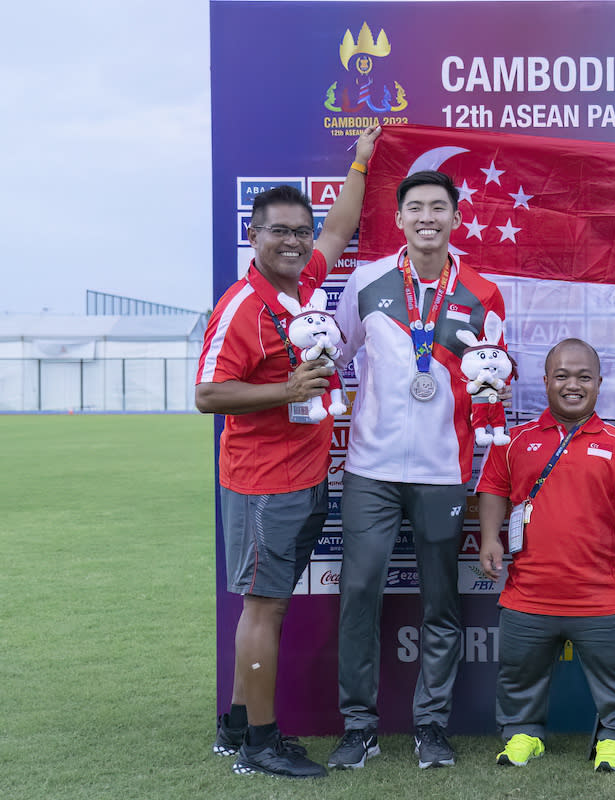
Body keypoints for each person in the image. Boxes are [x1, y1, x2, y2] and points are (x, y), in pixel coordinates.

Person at [195, 125, 380, 779]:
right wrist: (286, 389)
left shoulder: (303, 284)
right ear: (254, 235)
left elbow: (339, 230)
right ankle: (261, 744)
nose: (297, 241)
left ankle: (239, 726)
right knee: (264, 606)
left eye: (300, 231)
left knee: (268, 602)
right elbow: (208, 394)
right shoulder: (243, 306)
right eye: (281, 231)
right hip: (259, 483)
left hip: (301, 478)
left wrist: (359, 163)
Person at [328, 169, 506, 770]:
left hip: (443, 470)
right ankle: (359, 725)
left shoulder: (483, 292)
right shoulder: (367, 279)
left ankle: (431, 726)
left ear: (456, 218)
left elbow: (493, 383)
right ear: (399, 218)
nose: (427, 217)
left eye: (439, 207)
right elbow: (333, 355)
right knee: (358, 592)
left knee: (441, 603)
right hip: (369, 469)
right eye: (415, 208)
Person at [477, 339, 615, 774]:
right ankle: (523, 734)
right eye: (562, 376)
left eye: (583, 377)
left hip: (601, 594)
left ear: (598, 383)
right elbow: (494, 490)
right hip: (528, 594)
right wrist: (489, 538)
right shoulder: (513, 440)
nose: (572, 385)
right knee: (518, 677)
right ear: (546, 381)